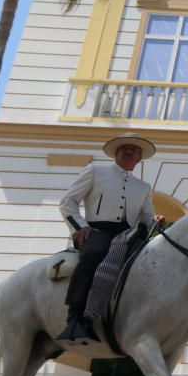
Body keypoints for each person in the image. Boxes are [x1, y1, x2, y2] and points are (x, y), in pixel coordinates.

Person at [57, 132, 163, 341]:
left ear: (139, 158)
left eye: (134, 150)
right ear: (115, 153)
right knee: (94, 253)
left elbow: (148, 217)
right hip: (97, 231)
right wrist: (81, 227)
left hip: (128, 235)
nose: (128, 151)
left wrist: (157, 221)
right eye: (124, 148)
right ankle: (76, 318)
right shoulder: (95, 171)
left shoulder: (143, 187)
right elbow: (67, 202)